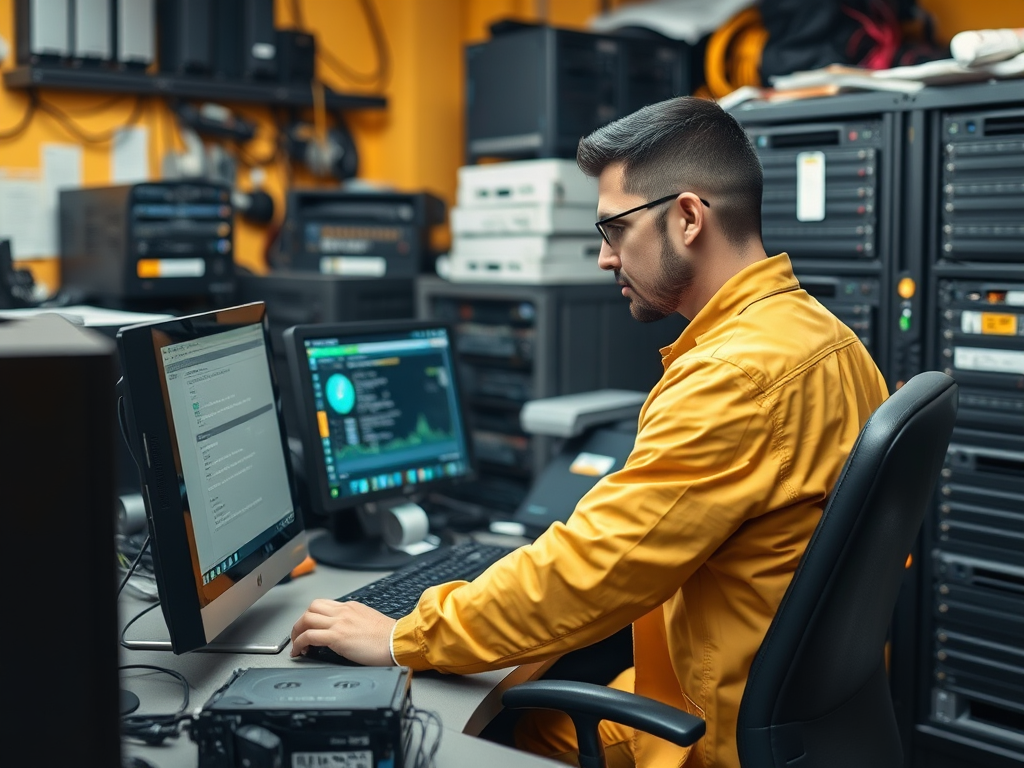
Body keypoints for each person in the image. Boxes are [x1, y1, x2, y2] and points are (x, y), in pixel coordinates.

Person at [290, 96, 889, 768]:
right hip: (776, 709)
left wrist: (404, 635)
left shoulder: (734, 376)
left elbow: (590, 573)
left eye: (613, 230)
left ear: (688, 217)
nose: (605, 259)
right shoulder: (826, 339)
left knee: (470, 731)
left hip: (714, 735)